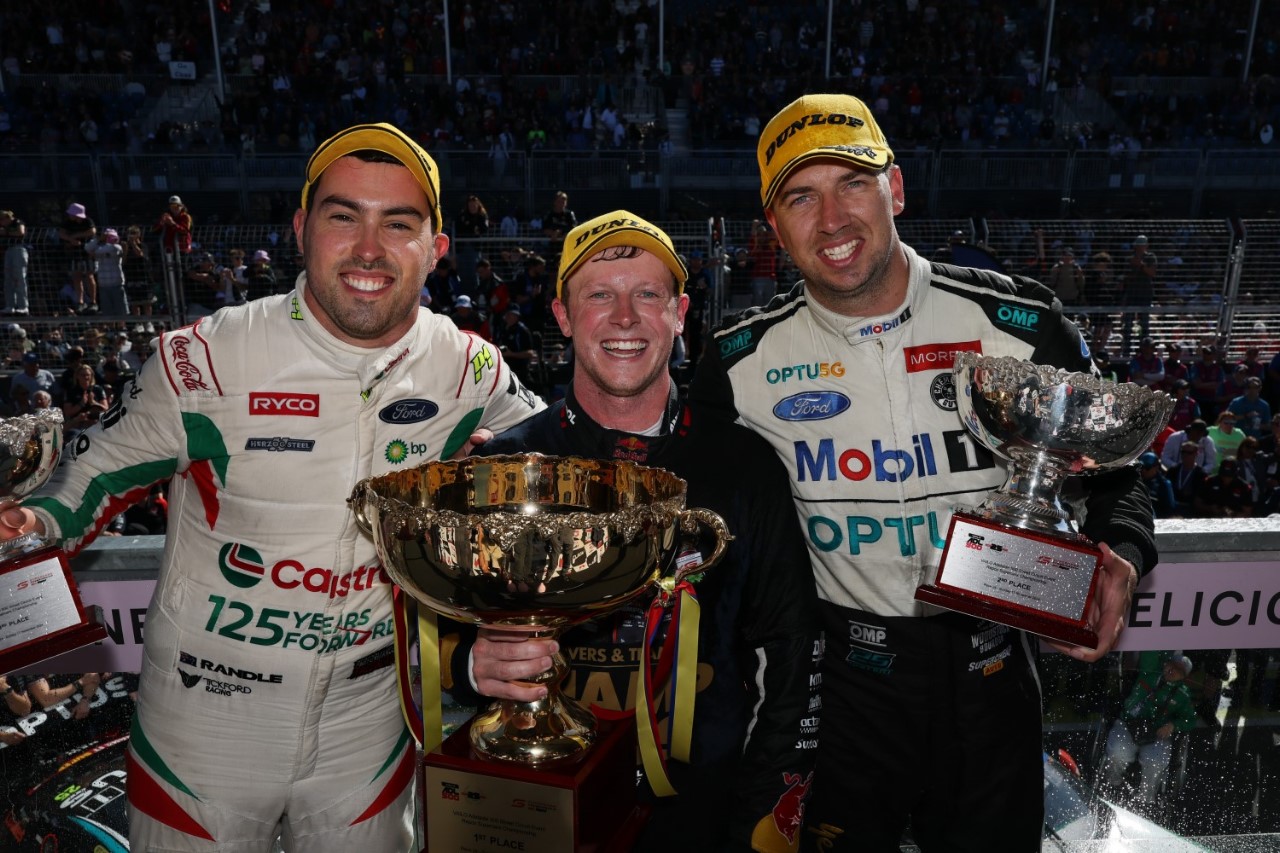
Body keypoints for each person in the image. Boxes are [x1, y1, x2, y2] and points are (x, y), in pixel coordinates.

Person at [5, 122, 544, 852]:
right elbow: (91, 471)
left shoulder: (469, 371)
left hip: (371, 725)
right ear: (301, 229)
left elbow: (565, 461)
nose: (367, 248)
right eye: (342, 215)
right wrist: (30, 522)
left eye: (398, 224)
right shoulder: (205, 356)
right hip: (201, 725)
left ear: (436, 250)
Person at [693, 94, 1157, 851]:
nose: (832, 219)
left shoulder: (1017, 323)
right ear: (773, 228)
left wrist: (1125, 559)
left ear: (897, 189)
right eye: (801, 198)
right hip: (840, 685)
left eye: (853, 183)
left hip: (995, 672)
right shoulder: (740, 363)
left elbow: (1116, 470)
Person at [457, 211, 820, 852]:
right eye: (599, 295)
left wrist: (761, 819)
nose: (625, 316)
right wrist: (470, 663)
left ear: (679, 313)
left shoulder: (744, 464)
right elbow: (439, 643)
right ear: (564, 317)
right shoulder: (501, 468)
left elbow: (787, 657)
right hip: (538, 805)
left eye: (647, 295)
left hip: (702, 814)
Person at [1100, 653, 1197, 806]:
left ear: (1183, 676)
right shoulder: (1150, 671)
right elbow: (1151, 651)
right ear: (1165, 663)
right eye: (1171, 665)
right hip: (1128, 724)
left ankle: (1145, 799)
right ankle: (1113, 783)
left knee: (1156, 762)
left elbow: (1190, 720)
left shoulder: (1183, 695)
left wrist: (1173, 726)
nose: (1172, 670)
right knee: (1118, 753)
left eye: (1178, 670)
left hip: (1156, 733)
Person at [1119, 234, 1156, 356]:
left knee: (1144, 323)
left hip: (1145, 294)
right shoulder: (1129, 259)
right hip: (1131, 294)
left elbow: (1152, 273)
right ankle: (1127, 350)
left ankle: (1144, 349)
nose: (1139, 248)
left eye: (1141, 245)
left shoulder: (1150, 258)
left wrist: (1141, 265)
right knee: (1128, 324)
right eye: (1138, 245)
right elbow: (1126, 277)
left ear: (1146, 246)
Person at [58, 201, 98, 313]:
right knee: (77, 277)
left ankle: (93, 301)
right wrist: (71, 240)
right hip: (74, 253)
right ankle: (80, 301)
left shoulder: (87, 221)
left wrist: (76, 235)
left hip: (87, 253)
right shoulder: (67, 223)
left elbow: (92, 231)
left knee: (89, 276)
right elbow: (61, 233)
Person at [85, 227, 130, 317]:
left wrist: (96, 251)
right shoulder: (100, 247)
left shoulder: (117, 247)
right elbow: (87, 248)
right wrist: (98, 239)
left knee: (120, 309)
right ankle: (111, 328)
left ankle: (122, 327)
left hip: (117, 283)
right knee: (107, 310)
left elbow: (100, 250)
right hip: (103, 284)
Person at [123, 223, 157, 324]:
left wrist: (133, 243)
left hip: (143, 276)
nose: (131, 235)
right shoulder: (126, 246)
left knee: (147, 302)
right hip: (131, 277)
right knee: (134, 303)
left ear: (138, 234)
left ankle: (148, 322)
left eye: (133, 233)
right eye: (129, 233)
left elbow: (140, 255)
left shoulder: (143, 246)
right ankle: (138, 323)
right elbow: (123, 262)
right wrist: (125, 249)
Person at [0, 209, 30, 315]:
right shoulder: (3, 227)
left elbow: (21, 232)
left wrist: (6, 232)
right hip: (8, 250)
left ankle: (23, 306)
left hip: (18, 249)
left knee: (19, 278)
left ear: (7, 218)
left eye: (2, 219)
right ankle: (10, 305)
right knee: (8, 279)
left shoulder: (17, 222)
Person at [1167, 440, 1207, 517]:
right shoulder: (1173, 470)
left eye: (1189, 453)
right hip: (1173, 507)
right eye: (1183, 452)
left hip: (1191, 510)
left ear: (1196, 454)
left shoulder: (1201, 474)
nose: (1185, 455)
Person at [748, 218, 779, 305]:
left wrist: (772, 222)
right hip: (757, 277)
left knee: (770, 304)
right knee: (757, 304)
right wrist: (754, 226)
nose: (762, 235)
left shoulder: (771, 245)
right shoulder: (755, 245)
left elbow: (775, 235)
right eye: (759, 234)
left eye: (764, 233)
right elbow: (752, 239)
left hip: (770, 278)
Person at [1138, 451, 1176, 518]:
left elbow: (1169, 510)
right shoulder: (1136, 481)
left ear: (1156, 467)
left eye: (1147, 467)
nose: (1143, 470)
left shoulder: (1164, 484)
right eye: (1141, 467)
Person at [155, 193, 193, 258]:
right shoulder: (166, 216)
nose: (175, 208)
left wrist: (173, 224)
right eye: (172, 206)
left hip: (183, 248)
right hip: (169, 248)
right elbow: (154, 230)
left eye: (177, 205)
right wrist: (162, 222)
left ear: (181, 206)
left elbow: (185, 231)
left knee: (184, 266)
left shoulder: (185, 217)